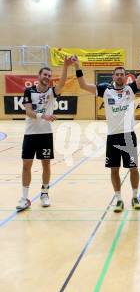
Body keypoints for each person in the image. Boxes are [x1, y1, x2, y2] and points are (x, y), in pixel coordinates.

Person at [73, 49, 140, 212]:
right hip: (112, 137)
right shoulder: (104, 90)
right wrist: (77, 65)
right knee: (114, 169)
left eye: (123, 74)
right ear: (113, 77)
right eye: (117, 74)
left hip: (128, 136)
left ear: (126, 77)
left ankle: (135, 197)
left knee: (133, 168)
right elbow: (82, 85)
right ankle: (119, 199)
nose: (120, 76)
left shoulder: (131, 89)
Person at [16, 57, 71, 211]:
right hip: (30, 134)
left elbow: (62, 82)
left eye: (49, 75)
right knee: (26, 164)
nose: (47, 77)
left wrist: (66, 66)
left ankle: (44, 193)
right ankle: (24, 198)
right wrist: (44, 116)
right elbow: (28, 111)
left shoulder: (52, 92)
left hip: (45, 134)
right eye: (44, 74)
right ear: (39, 76)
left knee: (46, 165)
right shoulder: (29, 91)